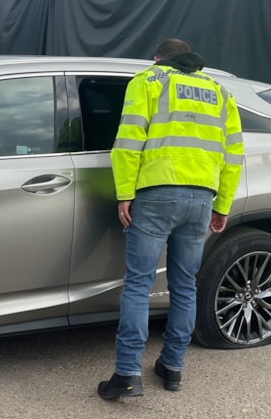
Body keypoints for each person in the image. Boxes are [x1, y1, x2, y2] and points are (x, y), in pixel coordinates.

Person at [98, 38, 244, 400]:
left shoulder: (149, 81)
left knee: (138, 284)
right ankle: (173, 366)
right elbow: (233, 153)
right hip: (202, 198)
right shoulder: (219, 91)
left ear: (158, 58)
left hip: (157, 193)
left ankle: (128, 374)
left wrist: (125, 193)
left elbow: (129, 139)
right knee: (184, 285)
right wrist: (222, 204)